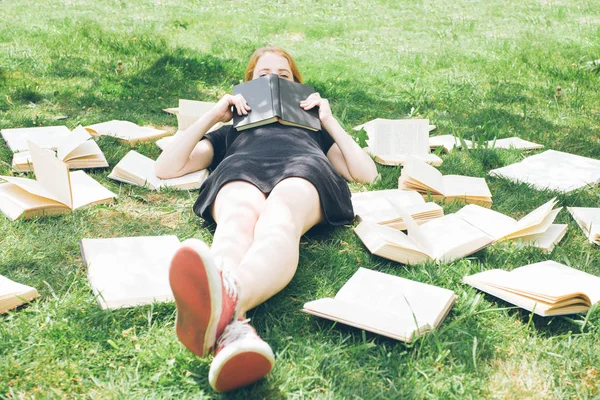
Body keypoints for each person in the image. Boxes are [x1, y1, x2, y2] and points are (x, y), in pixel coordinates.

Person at [155, 46, 378, 392]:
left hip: (303, 171)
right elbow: (165, 167)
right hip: (241, 169)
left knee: (280, 220)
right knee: (237, 222)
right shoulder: (231, 132)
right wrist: (214, 117)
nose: (273, 79)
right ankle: (233, 327)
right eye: (263, 75)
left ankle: (228, 303)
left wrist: (328, 121)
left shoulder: (313, 130)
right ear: (248, 87)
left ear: (297, 87)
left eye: (284, 75)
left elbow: (366, 174)